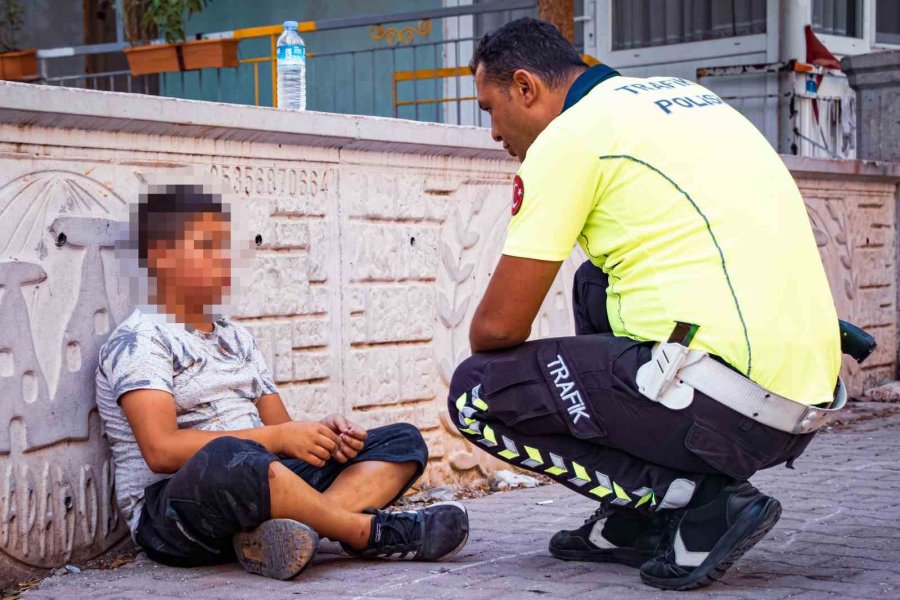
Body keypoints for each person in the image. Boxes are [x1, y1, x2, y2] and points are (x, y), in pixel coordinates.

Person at [447, 18, 846, 591]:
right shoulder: (687, 98)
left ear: (526, 86)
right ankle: (632, 523)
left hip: (730, 411)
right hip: (804, 399)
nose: (492, 132)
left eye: (489, 107)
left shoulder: (570, 139)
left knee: (477, 391)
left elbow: (497, 329)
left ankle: (702, 502)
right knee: (594, 281)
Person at [96, 184, 469, 580]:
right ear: (161, 256)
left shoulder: (237, 338)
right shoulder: (140, 339)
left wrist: (324, 438)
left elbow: (281, 435)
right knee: (230, 457)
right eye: (206, 247)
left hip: (256, 483)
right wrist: (279, 439)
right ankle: (368, 533)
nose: (223, 260)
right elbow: (161, 450)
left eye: (225, 247)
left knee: (403, 441)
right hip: (175, 516)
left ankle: (293, 533)